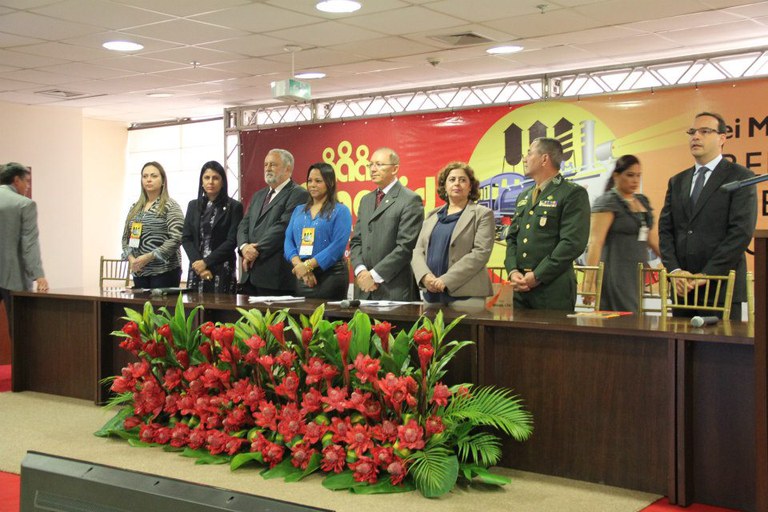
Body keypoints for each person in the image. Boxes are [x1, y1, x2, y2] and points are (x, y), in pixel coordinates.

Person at [658, 111, 757, 320]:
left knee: (721, 343)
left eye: (704, 131)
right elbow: (665, 231)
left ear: (722, 138)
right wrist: (675, 271)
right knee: (677, 342)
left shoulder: (740, 177)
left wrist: (707, 274)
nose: (696, 136)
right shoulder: (677, 181)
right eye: (692, 132)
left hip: (721, 288)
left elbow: (740, 232)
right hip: (683, 288)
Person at [504, 137, 590, 311]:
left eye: (529, 153)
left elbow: (572, 243)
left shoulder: (572, 193)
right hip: (520, 289)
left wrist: (538, 275)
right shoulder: (524, 196)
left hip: (553, 290)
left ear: (544, 159)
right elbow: (512, 238)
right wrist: (513, 271)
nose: (524, 159)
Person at [411, 162, 494, 308]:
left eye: (462, 180)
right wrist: (425, 276)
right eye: (452, 179)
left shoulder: (482, 214)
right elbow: (418, 251)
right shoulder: (432, 215)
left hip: (466, 295)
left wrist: (446, 280)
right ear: (444, 186)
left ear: (470, 187)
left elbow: (481, 253)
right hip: (432, 293)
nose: (457, 183)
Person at [584, 155, 660, 312]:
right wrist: (589, 282)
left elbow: (653, 241)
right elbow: (595, 243)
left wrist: (675, 268)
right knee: (622, 320)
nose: (635, 180)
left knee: (635, 318)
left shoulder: (642, 201)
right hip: (615, 273)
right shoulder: (608, 202)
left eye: (638, 175)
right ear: (616, 176)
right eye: (630, 175)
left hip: (635, 275)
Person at [349, 147, 424, 301]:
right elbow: (356, 241)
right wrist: (361, 271)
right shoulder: (366, 200)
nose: (373, 169)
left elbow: (406, 247)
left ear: (395, 169)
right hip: (364, 289)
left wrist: (374, 276)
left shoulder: (410, 199)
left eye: (379, 164)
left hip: (394, 289)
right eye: (371, 165)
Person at [237, 148, 309, 296]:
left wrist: (255, 251)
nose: (268, 168)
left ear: (287, 169)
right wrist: (244, 247)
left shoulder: (299, 194)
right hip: (250, 275)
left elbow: (283, 228)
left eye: (273, 164)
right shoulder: (258, 195)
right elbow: (244, 224)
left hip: (276, 277)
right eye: (266, 164)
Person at [284, 162, 352, 300]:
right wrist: (300, 266)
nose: (312, 185)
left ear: (330, 183)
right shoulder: (299, 210)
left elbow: (337, 246)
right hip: (303, 276)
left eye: (318, 181)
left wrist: (308, 265)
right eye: (310, 181)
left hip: (331, 276)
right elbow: (288, 241)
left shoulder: (341, 211)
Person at [182, 161, 243, 294]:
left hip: (222, 267)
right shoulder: (193, 206)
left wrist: (206, 262)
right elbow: (186, 238)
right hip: (197, 268)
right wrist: (199, 265)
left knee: (221, 306)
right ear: (201, 181)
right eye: (207, 177)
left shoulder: (234, 207)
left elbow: (232, 241)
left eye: (215, 178)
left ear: (222, 182)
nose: (210, 182)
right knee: (195, 305)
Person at [121, 161, 184, 289]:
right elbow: (125, 238)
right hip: (139, 271)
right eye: (145, 176)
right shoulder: (135, 208)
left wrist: (150, 256)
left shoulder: (170, 206)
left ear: (163, 181)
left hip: (164, 271)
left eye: (154, 176)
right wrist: (131, 258)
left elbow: (177, 238)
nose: (148, 179)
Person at [0, 162, 48, 320]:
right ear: (16, 180)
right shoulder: (24, 204)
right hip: (14, 276)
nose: (28, 186)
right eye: (26, 181)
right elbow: (29, 243)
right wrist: (38, 275)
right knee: (19, 326)